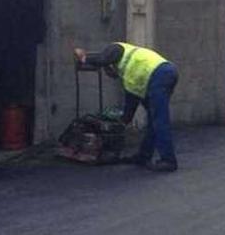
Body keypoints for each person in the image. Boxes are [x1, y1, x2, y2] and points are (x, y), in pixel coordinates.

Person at [74, 42, 179, 173]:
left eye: (109, 69)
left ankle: (168, 161)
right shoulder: (129, 75)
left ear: (112, 64)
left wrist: (85, 58)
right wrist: (122, 121)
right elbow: (130, 107)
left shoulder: (117, 49)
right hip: (165, 72)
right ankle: (143, 156)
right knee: (154, 120)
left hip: (159, 75)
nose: (110, 74)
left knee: (159, 119)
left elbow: (103, 59)